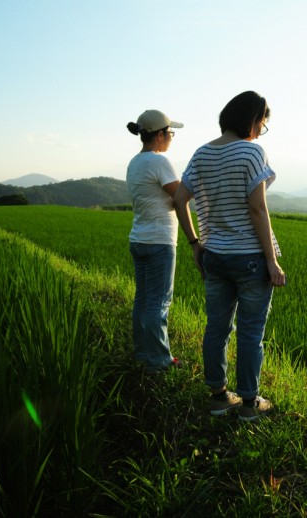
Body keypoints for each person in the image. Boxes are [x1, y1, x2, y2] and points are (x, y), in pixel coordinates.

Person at [174, 91, 286, 422]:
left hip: (215, 257)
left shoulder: (201, 154)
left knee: (217, 327)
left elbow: (180, 200)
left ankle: (219, 397)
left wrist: (195, 244)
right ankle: (251, 404)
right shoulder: (252, 152)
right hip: (249, 257)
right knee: (251, 332)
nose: (261, 129)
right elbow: (257, 208)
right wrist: (271, 259)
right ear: (253, 119)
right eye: (263, 122)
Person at [126, 109, 184, 373]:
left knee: (143, 300)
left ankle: (142, 354)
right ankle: (159, 361)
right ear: (160, 135)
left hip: (139, 238)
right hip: (160, 240)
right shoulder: (160, 162)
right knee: (159, 303)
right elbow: (183, 195)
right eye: (170, 133)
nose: (171, 138)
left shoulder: (134, 163)